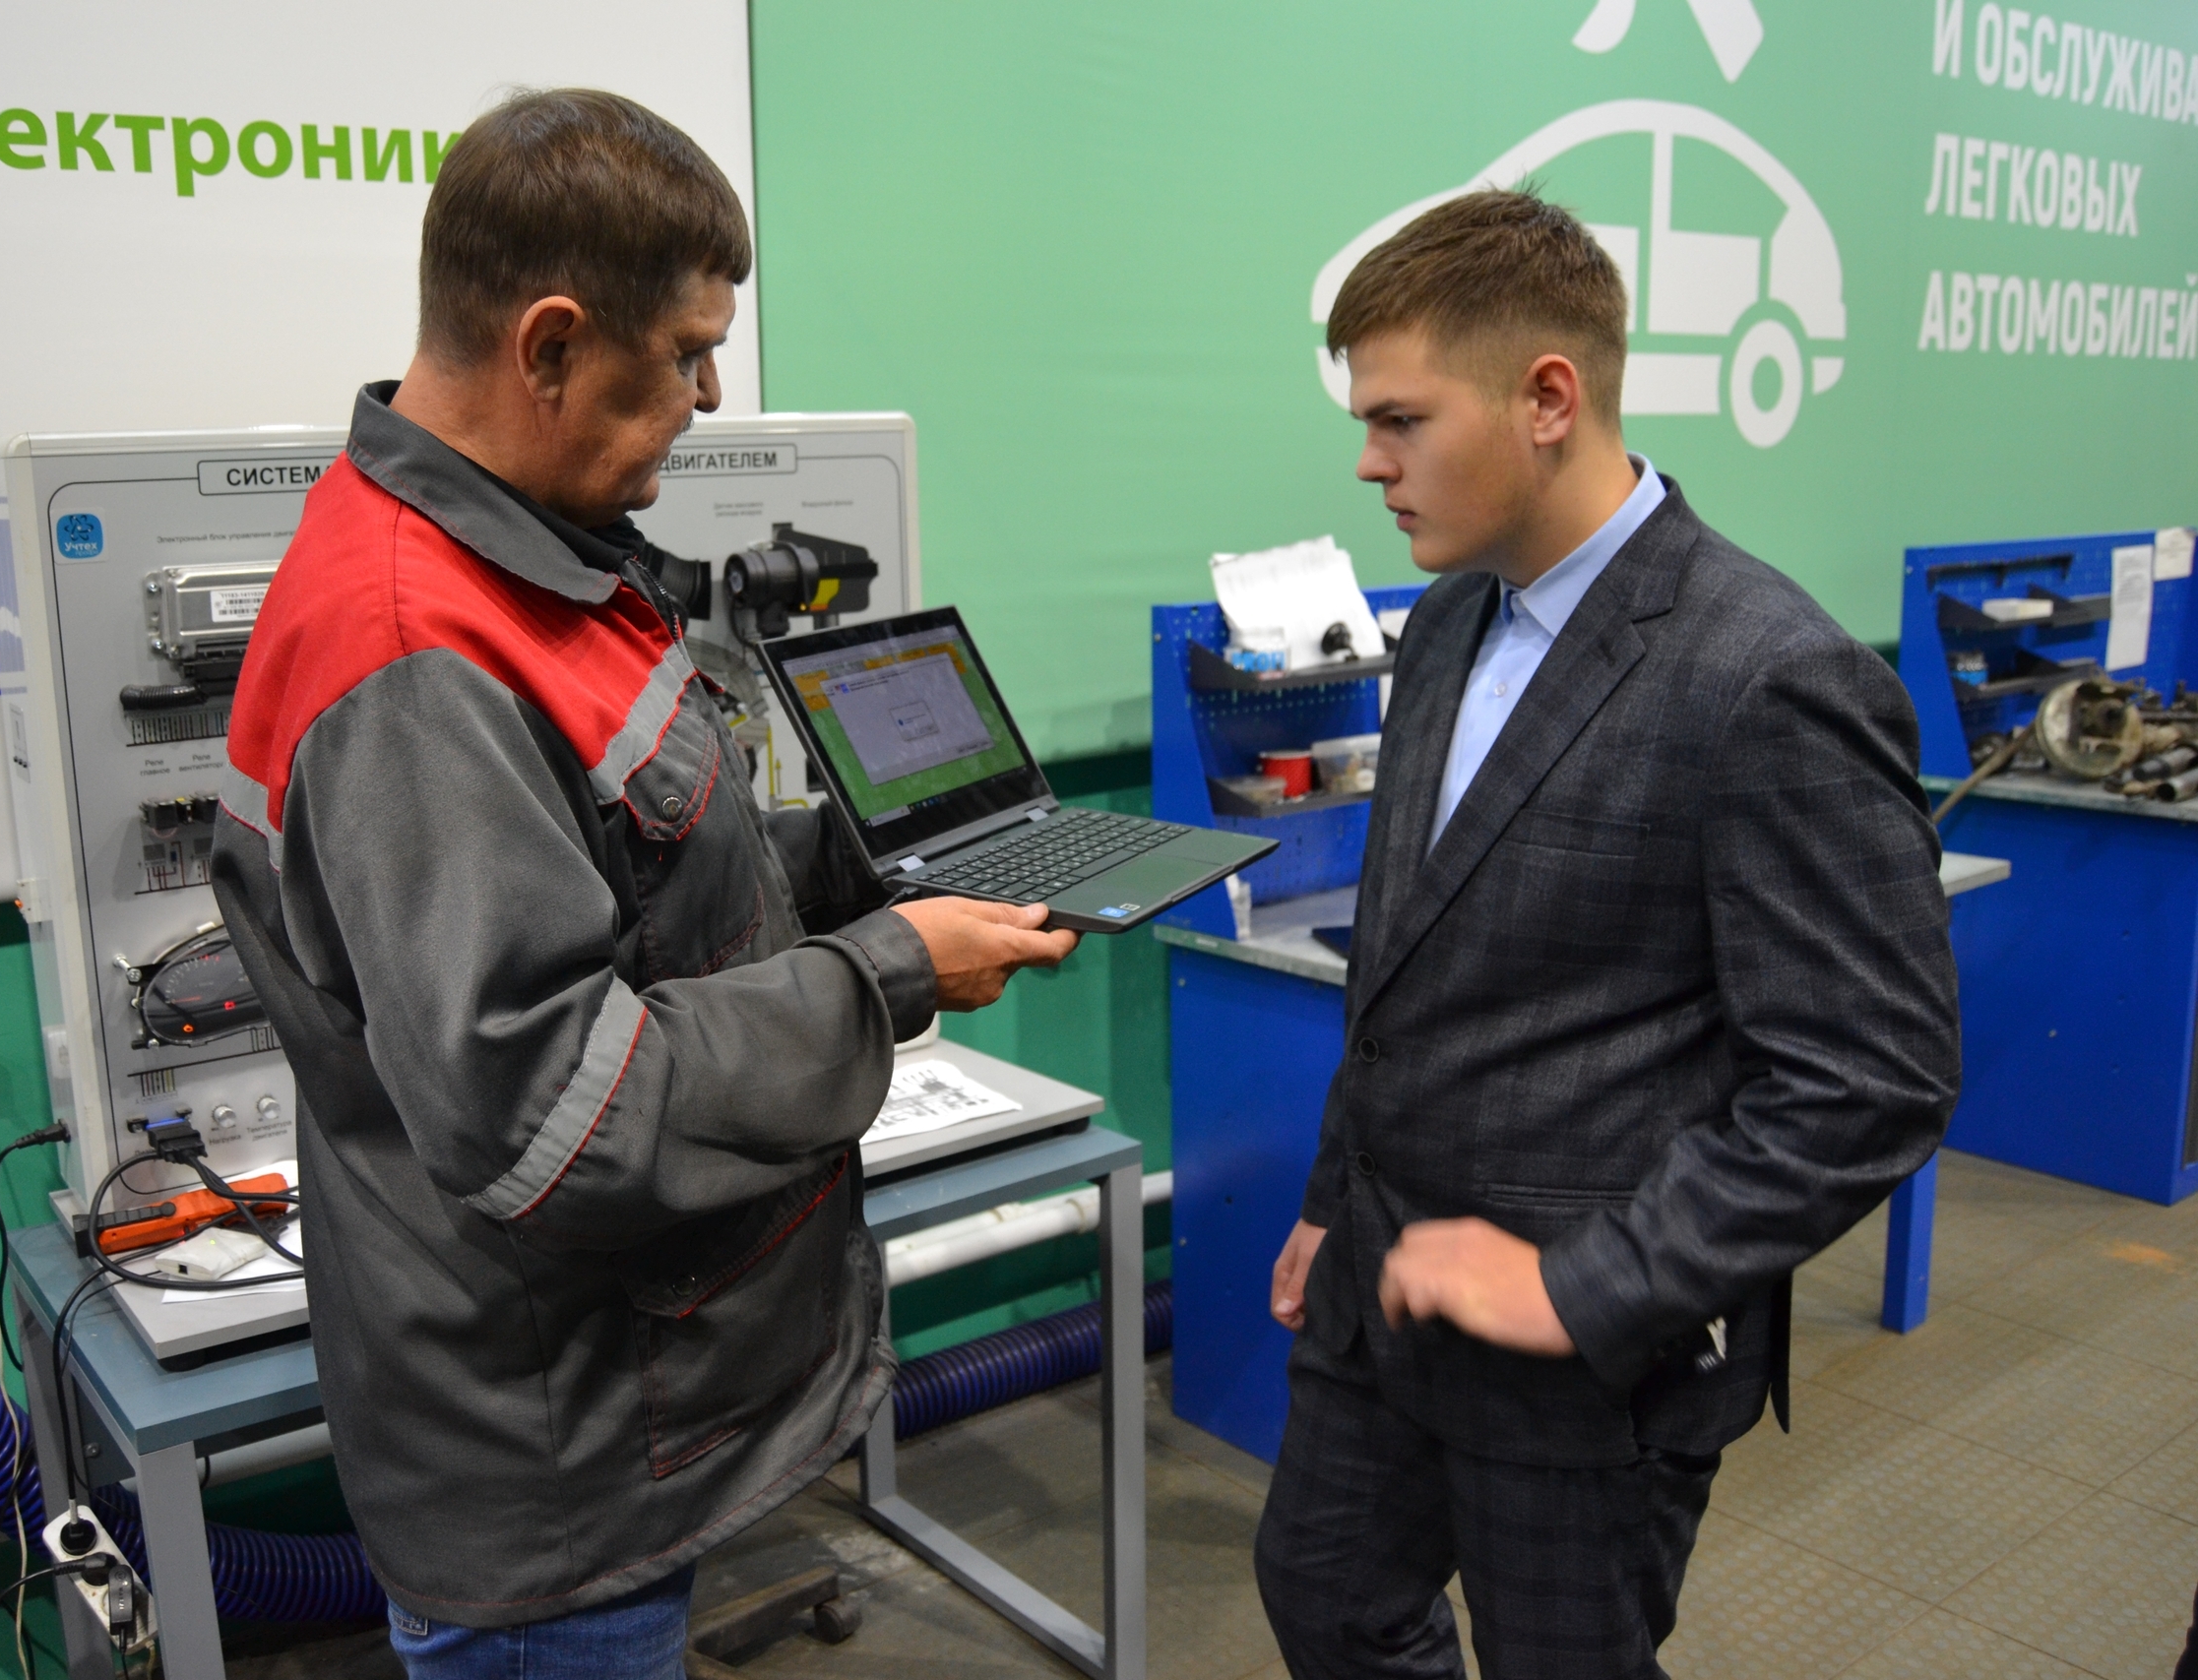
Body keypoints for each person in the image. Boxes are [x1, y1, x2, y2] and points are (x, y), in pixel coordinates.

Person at [209, 88, 1076, 1677]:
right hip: (556, 1469)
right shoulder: (412, 655)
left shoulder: (529, 565)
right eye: (684, 353)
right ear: (549, 344)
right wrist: (890, 969)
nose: (709, 394)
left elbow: (641, 877)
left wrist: (868, 874)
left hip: (622, 1411)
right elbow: (559, 1112)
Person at [1252, 191, 1962, 1679]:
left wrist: (1579, 1285)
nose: (1370, 462)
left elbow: (1871, 1079)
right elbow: (1401, 969)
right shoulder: (1448, 624)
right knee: (1322, 1594)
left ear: (1548, 399)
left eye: (1400, 420)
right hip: (1381, 1289)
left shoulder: (1766, 674)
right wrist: (1332, 1194)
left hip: (1586, 1355)